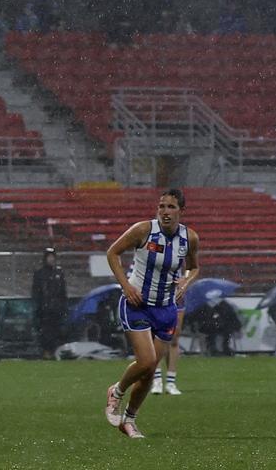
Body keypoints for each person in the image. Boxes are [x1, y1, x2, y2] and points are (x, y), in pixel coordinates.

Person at [105, 188, 200, 438]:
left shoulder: (189, 238)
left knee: (149, 371)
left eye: (171, 207)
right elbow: (112, 253)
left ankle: (129, 420)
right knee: (146, 361)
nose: (165, 212)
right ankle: (116, 391)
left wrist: (186, 282)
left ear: (181, 210)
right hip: (137, 304)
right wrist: (126, 287)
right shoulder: (143, 230)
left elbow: (194, 267)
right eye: (161, 206)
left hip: (166, 308)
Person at [31, 247, 68, 359]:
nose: (51, 259)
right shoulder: (39, 273)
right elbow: (36, 291)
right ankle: (46, 351)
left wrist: (62, 305)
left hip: (56, 308)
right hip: (45, 309)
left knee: (57, 330)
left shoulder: (59, 272)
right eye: (49, 257)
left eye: (53, 257)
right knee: (46, 331)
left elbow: (63, 291)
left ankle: (55, 351)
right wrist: (40, 305)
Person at [150, 309, 184, 395]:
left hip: (176, 300)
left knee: (174, 338)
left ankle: (170, 382)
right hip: (157, 300)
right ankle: (157, 381)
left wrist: (182, 294)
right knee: (157, 335)